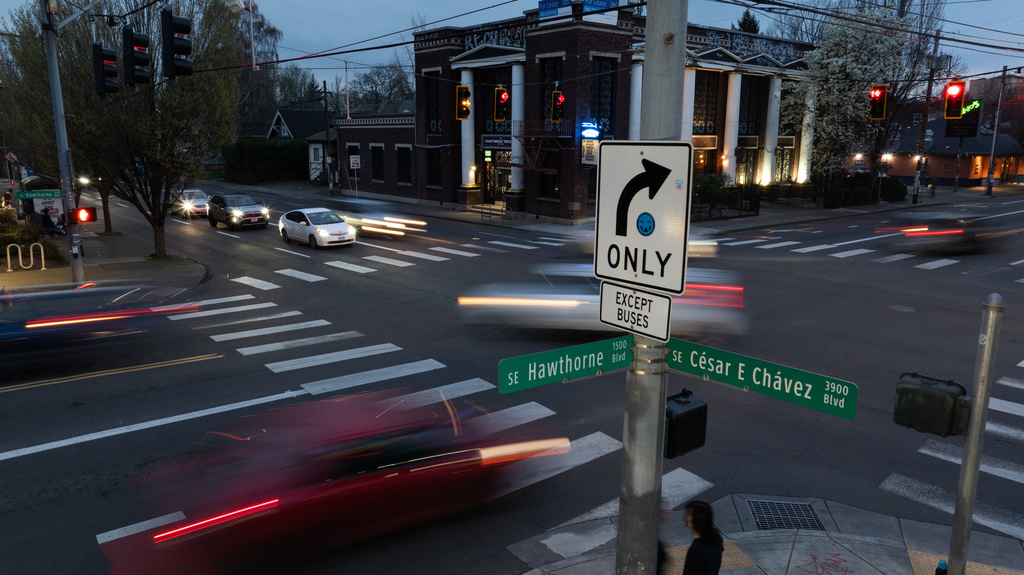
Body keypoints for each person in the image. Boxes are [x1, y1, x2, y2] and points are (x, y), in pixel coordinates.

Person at [682, 500, 723, 575]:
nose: (684, 516)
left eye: (688, 514)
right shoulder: (716, 536)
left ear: (697, 519)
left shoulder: (696, 550)